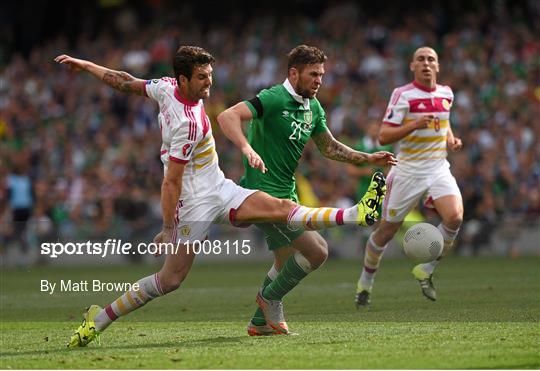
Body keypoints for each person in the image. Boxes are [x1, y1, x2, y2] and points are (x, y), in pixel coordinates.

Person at [55, 45, 387, 347]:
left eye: (210, 76)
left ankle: (356, 214)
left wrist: (86, 64)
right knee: (170, 280)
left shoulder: (165, 87)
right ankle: (98, 320)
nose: (208, 84)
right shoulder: (190, 126)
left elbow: (125, 81)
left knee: (283, 207)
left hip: (220, 188)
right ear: (183, 79)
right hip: (195, 205)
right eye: (201, 78)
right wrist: (169, 229)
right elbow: (171, 183)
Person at [217, 45, 396, 335]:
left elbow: (329, 147)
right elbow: (227, 116)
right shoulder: (273, 97)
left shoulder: (313, 107)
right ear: (293, 73)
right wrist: (246, 147)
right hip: (262, 196)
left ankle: (259, 324)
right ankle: (269, 299)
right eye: (313, 74)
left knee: (285, 261)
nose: (319, 80)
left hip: (288, 193)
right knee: (318, 251)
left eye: (322, 75)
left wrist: (366, 158)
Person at [354, 46, 463, 307]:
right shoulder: (403, 94)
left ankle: (425, 270)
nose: (426, 63)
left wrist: (450, 139)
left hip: (437, 167)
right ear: (412, 66)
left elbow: (443, 121)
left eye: (431, 59)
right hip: (407, 170)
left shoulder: (447, 93)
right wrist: (414, 124)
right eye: (421, 59)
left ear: (438, 66)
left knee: (455, 217)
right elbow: (384, 136)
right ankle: (365, 284)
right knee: (386, 231)